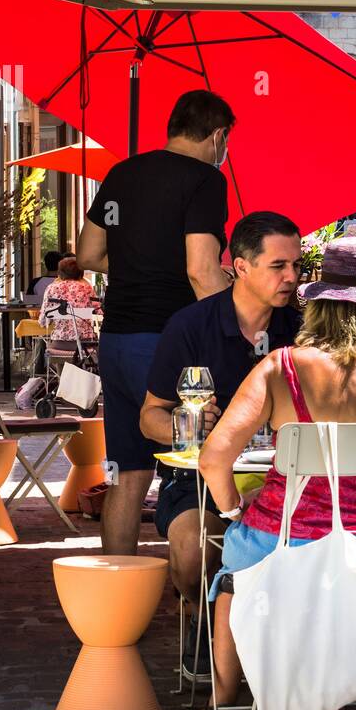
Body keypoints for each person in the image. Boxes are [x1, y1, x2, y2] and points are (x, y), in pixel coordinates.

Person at [194, 236, 356, 710]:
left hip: (284, 541)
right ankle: (332, 699)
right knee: (335, 580)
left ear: (320, 306)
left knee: (231, 583)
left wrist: (232, 509)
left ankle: (223, 704)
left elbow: (213, 458)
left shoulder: (281, 367)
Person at [139, 212, 302, 671]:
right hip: (197, 480)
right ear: (240, 266)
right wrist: (184, 422)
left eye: (296, 266)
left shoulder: (301, 327)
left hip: (282, 481)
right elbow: (147, 417)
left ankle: (281, 651)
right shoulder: (191, 326)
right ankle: (200, 613)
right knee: (193, 552)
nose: (291, 277)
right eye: (278, 266)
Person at [76, 89, 236, 556]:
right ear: (218, 135)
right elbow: (201, 272)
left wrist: (138, 267)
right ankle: (194, 593)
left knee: (129, 474)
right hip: (169, 342)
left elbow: (87, 254)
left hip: (117, 340)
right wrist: (236, 321)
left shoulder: (122, 173)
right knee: (192, 466)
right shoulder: (205, 180)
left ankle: (116, 590)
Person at [38, 256, 103, 350]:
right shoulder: (87, 288)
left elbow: (43, 322)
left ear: (60, 272)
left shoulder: (52, 288)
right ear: (81, 272)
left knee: (45, 349)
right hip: (86, 344)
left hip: (60, 343)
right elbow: (98, 314)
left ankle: (60, 364)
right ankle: (81, 365)